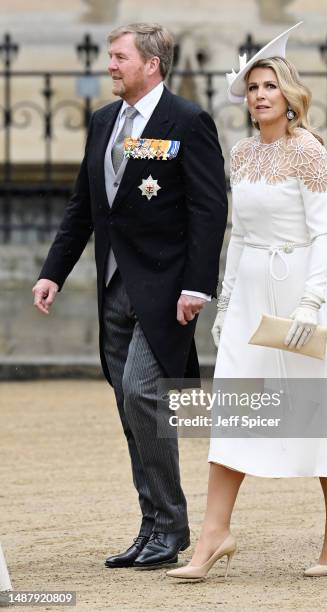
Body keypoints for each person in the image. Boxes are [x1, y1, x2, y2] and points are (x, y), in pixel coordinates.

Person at [167, 22, 327, 581]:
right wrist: (226, 304)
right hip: (251, 292)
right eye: (252, 87)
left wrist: (309, 302)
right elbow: (240, 235)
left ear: (288, 93)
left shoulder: (309, 152)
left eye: (269, 86)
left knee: (317, 411)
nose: (259, 95)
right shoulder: (243, 154)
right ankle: (213, 536)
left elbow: (324, 232)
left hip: (300, 290)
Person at [32, 23, 227, 570]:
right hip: (114, 289)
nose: (110, 65)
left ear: (152, 64)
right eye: (109, 57)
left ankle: (173, 524)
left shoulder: (187, 121)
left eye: (119, 57)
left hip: (167, 291)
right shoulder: (103, 122)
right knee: (128, 405)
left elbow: (209, 210)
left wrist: (197, 285)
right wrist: (54, 272)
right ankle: (151, 527)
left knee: (145, 393)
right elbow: (83, 207)